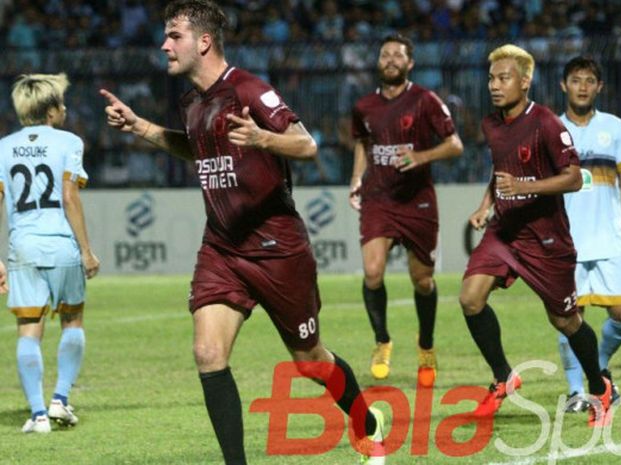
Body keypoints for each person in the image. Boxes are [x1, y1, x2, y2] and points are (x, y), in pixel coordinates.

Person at [100, 2, 384, 464]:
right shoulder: (192, 102)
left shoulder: (249, 90)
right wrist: (142, 127)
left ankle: (365, 423)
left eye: (174, 35)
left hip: (276, 248)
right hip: (222, 247)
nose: (164, 44)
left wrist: (263, 139)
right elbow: (196, 149)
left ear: (204, 42)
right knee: (208, 352)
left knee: (310, 361)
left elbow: (306, 144)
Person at [459, 44, 612, 427]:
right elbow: (501, 174)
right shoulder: (491, 124)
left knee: (565, 321)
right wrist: (485, 204)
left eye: (504, 78)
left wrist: (526, 185)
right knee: (470, 299)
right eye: (492, 78)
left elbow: (574, 178)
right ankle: (502, 377)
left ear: (525, 82)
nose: (495, 85)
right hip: (505, 232)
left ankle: (602, 386)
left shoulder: (546, 122)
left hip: (546, 238)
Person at [349, 34, 463, 388]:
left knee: (423, 280)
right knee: (372, 272)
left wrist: (422, 157)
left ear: (410, 63)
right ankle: (382, 340)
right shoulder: (364, 106)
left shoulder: (425, 101)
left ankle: (426, 346)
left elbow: (455, 145)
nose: (391, 59)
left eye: (398, 55)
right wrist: (356, 178)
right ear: (378, 62)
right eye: (385, 54)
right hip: (379, 198)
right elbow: (363, 144)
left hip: (417, 202)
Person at [0, 73, 100, 433]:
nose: (66, 108)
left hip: (22, 247)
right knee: (72, 321)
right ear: (51, 110)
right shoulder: (69, 141)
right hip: (61, 245)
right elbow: (70, 195)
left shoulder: (3, 146)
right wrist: (86, 251)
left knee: (29, 329)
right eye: (61, 103)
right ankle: (60, 400)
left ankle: (38, 415)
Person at [557, 56, 621, 413]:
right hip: (566, 240)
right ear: (564, 85)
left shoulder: (615, 127)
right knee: (569, 317)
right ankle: (577, 390)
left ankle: (598, 370)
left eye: (589, 80)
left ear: (599, 87)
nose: (582, 86)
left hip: (609, 237)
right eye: (576, 80)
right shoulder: (550, 127)